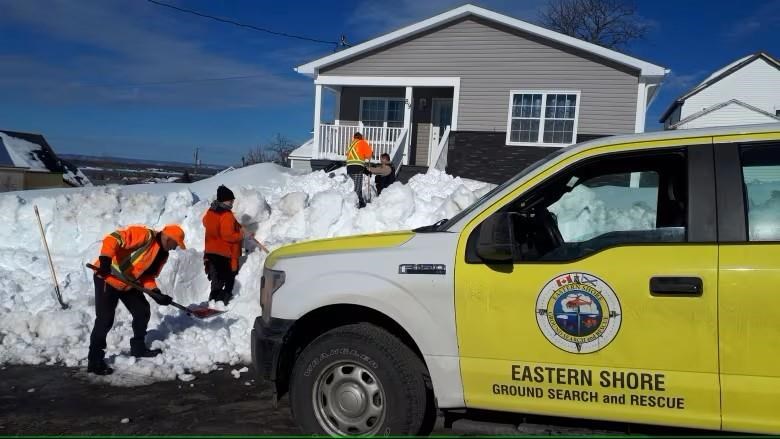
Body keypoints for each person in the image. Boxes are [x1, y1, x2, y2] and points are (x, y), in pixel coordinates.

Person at [88, 224, 186, 376]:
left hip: (128, 283)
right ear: (168, 238)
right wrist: (105, 259)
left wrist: (155, 292)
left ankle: (138, 348)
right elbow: (113, 238)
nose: (175, 248)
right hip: (108, 277)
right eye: (175, 244)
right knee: (105, 319)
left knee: (142, 312)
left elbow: (147, 276)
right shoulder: (145, 236)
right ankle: (94, 361)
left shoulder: (163, 255)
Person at [203, 185, 247, 305]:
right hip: (223, 252)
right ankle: (222, 301)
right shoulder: (226, 215)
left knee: (216, 278)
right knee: (228, 277)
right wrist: (241, 235)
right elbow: (228, 236)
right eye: (230, 200)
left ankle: (213, 300)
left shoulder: (211, 211)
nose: (232, 202)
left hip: (210, 250)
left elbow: (205, 222)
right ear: (224, 200)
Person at [346, 132, 373, 208]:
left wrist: (365, 171)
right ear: (361, 137)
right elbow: (368, 156)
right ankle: (353, 206)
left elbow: (356, 158)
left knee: (358, 186)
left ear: (354, 137)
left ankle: (361, 202)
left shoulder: (351, 144)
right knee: (357, 188)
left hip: (349, 168)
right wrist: (370, 151)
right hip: (357, 169)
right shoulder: (362, 143)